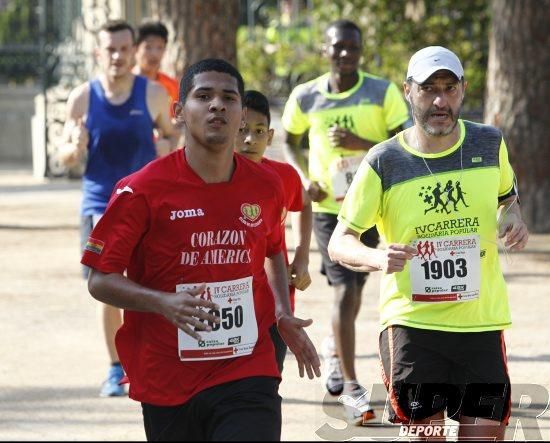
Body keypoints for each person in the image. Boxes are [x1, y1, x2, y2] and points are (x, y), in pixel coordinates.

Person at [81, 58, 321, 441]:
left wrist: (282, 312)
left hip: (247, 366)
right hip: (168, 376)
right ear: (178, 112)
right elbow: (100, 280)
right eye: (203, 96)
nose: (217, 105)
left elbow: (273, 248)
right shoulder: (141, 190)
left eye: (229, 98)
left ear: (242, 114)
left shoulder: (266, 185)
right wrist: (163, 302)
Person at [328, 46, 528, 439]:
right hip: (413, 326)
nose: (440, 100)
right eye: (428, 89)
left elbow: (507, 198)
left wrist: (513, 219)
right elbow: (340, 241)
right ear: (408, 91)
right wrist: (375, 255)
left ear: (463, 90)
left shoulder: (489, 144)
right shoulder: (383, 160)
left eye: (449, 88)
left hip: (480, 324)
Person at [281, 19, 410, 423]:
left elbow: (405, 143)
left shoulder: (382, 92)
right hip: (330, 211)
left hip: (377, 206)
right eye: (338, 47)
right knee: (342, 291)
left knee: (356, 289)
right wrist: (305, 180)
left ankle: (336, 349)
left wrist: (360, 146)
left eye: (352, 48)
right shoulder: (306, 96)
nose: (345, 54)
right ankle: (352, 390)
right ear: (325, 49)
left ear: (360, 51)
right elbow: (288, 139)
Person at [58, 19, 178, 397]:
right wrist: (74, 148)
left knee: (150, 283)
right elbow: (63, 156)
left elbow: (175, 135)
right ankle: (115, 368)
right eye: (111, 49)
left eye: (125, 49)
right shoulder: (82, 97)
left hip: (146, 204)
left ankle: (150, 361)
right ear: (99, 53)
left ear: (133, 51)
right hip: (100, 206)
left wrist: (167, 146)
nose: (118, 56)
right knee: (108, 285)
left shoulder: (153, 94)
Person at [235, 89, 312, 372]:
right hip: (228, 304)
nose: (249, 139)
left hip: (275, 306)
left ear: (269, 137)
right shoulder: (214, 179)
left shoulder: (284, 176)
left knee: (268, 380)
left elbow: (304, 203)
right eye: (241, 130)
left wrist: (302, 255)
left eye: (257, 131)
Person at [133, 20, 179, 119]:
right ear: (135, 48)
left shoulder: (172, 86)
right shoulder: (125, 83)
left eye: (160, 47)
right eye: (148, 47)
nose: (154, 54)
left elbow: (176, 119)